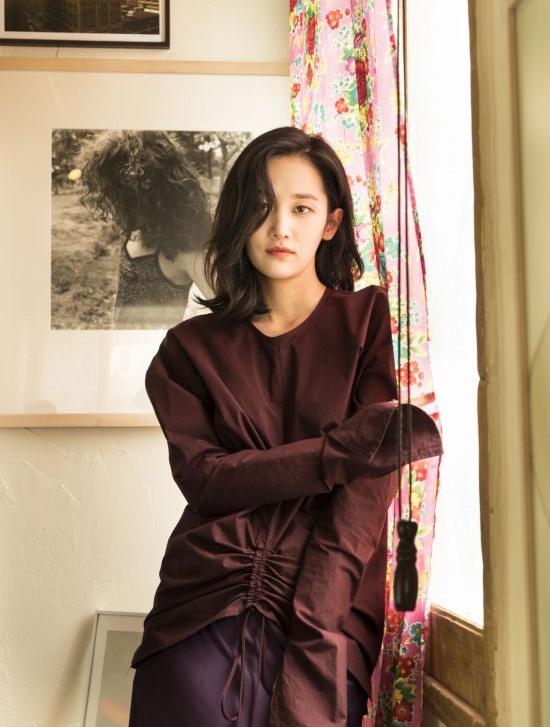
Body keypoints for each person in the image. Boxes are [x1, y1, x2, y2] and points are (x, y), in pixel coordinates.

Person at [128, 126, 443, 727]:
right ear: (237, 217)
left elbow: (364, 495)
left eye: (301, 208)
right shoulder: (186, 350)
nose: (280, 228)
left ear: (330, 223)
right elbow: (208, 481)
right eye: (262, 207)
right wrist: (337, 454)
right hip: (200, 607)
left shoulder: (369, 323)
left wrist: (318, 620)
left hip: (328, 615)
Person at [78, 130, 213, 329]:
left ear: (147, 192)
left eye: (117, 195)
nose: (112, 203)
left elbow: (235, 314)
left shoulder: (186, 251)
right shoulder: (136, 231)